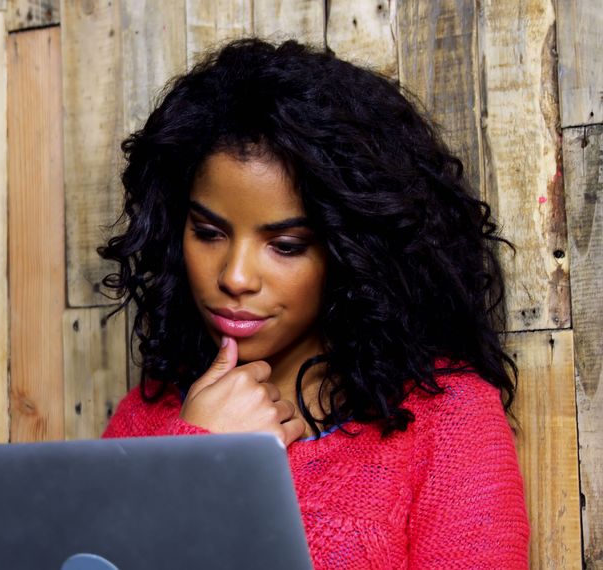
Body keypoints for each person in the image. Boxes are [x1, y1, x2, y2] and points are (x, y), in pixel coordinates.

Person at [98, 38, 529, 568]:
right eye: (208, 232)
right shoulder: (146, 419)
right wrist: (193, 460)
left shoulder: (447, 421)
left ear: (351, 250)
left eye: (286, 245)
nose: (234, 276)